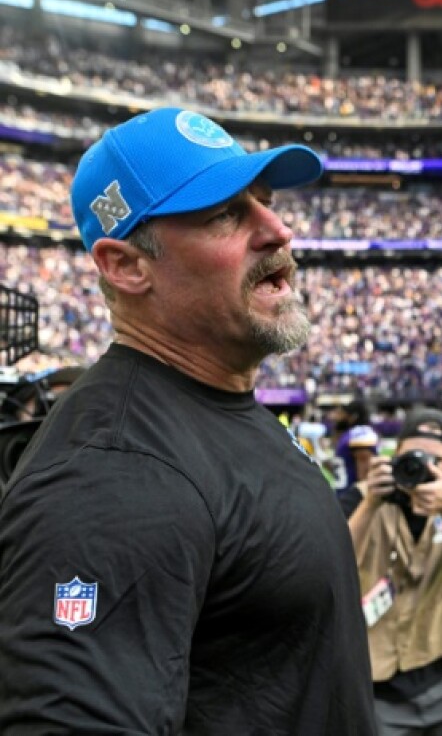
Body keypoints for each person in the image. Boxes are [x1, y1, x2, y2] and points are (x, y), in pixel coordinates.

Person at [0, 107, 376, 733]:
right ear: (126, 265)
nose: (278, 230)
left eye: (266, 201)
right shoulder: (115, 474)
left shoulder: (214, 408)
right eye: (226, 213)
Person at [341, 409, 442, 736]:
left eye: (435, 461)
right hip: (371, 683)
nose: (424, 470)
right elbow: (331, 566)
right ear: (395, 455)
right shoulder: (358, 496)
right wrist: (370, 503)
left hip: (441, 677)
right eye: (414, 458)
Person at [331, 398, 379, 492]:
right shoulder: (349, 434)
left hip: (353, 499)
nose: (339, 417)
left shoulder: (360, 433)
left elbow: (364, 475)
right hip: (343, 495)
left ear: (353, 416)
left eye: (344, 413)